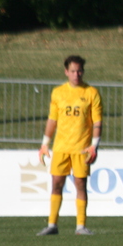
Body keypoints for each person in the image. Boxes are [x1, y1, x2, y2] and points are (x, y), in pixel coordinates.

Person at [36, 56, 102, 236]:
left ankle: (80, 226)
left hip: (82, 148)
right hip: (61, 147)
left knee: (80, 184)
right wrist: (44, 143)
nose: (76, 74)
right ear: (66, 72)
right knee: (56, 183)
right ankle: (52, 224)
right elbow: (52, 119)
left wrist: (94, 145)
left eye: (79, 71)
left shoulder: (91, 93)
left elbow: (97, 122)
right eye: (73, 71)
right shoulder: (58, 92)